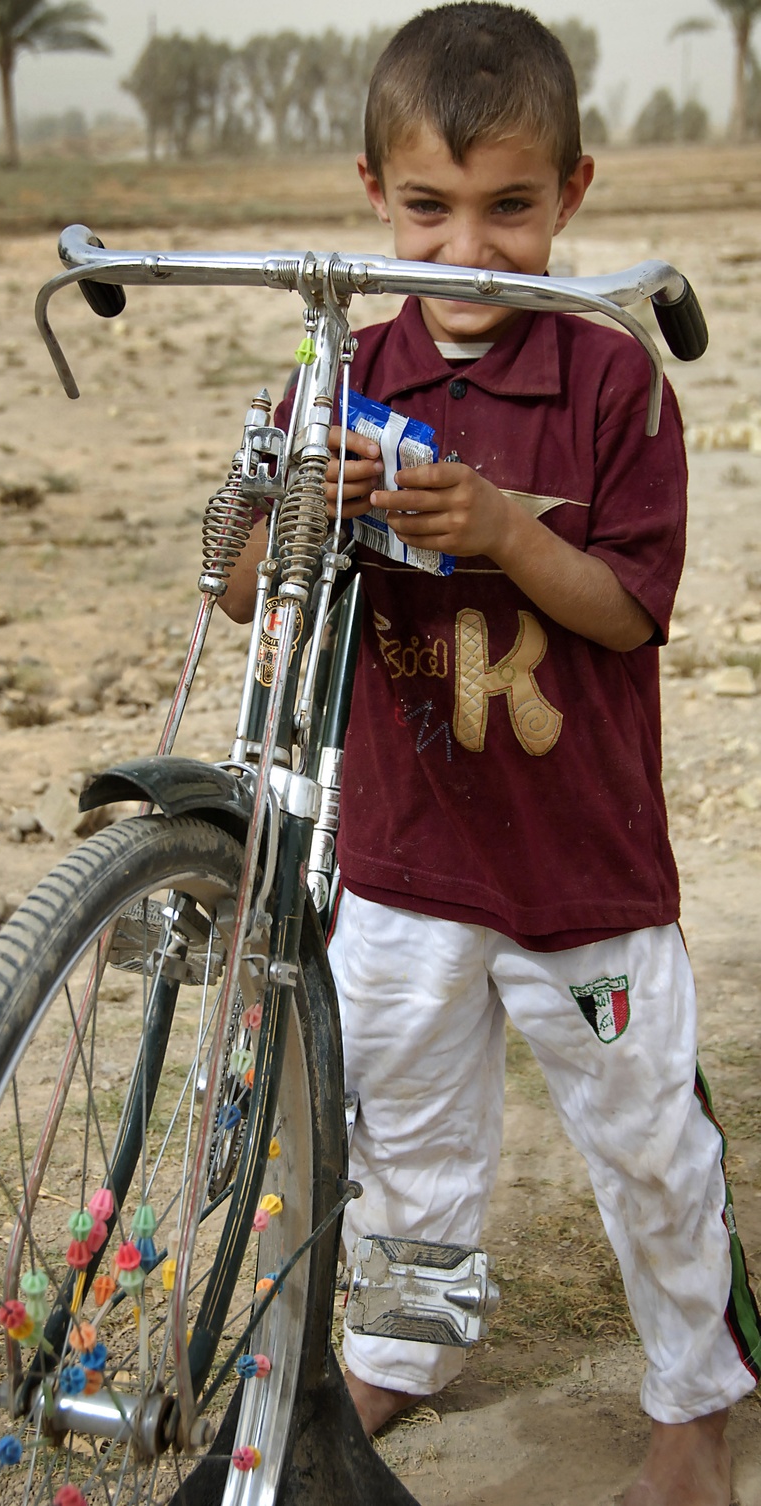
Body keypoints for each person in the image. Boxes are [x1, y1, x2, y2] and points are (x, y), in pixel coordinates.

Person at [219, 5, 760, 1502]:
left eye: (511, 207)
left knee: (650, 1141)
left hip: (579, 871)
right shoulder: (341, 369)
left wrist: (507, 530)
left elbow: (629, 608)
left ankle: (693, 1402)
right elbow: (247, 579)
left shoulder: (615, 384)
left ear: (574, 194)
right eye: (429, 207)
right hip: (403, 862)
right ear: (371, 194)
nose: (467, 247)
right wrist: (277, 507)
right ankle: (408, 1346)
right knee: (406, 1133)